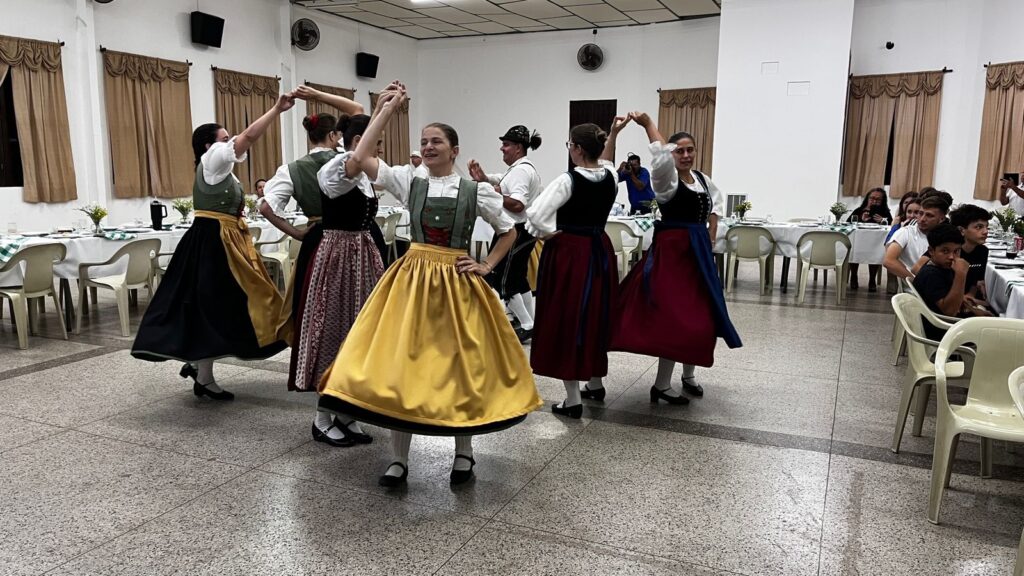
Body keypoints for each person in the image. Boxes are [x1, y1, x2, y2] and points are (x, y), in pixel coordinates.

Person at [317, 83, 541, 487]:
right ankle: (399, 459)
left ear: (454, 150)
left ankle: (464, 454)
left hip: (457, 283)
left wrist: (486, 265)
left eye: (437, 141)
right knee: (402, 365)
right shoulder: (409, 180)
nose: (429, 146)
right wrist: (383, 109)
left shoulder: (476, 191)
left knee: (460, 366)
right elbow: (360, 156)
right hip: (412, 280)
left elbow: (508, 231)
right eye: (424, 141)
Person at [131, 93, 296, 399]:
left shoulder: (221, 168)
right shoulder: (213, 159)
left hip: (222, 240)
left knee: (219, 305)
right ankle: (203, 374)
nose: (229, 139)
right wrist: (276, 109)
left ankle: (200, 368)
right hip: (214, 242)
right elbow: (248, 137)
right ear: (209, 146)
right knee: (214, 305)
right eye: (223, 137)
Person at [610, 113, 741, 404]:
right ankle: (661, 385)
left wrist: (712, 229)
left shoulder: (702, 179)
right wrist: (648, 126)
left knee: (702, 314)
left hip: (698, 253)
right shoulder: (667, 180)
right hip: (673, 255)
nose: (685, 155)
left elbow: (716, 203)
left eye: (689, 149)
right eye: (679, 150)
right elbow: (660, 157)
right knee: (676, 317)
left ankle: (689, 375)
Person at [527, 118, 627, 418]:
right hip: (600, 249)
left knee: (567, 318)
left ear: (578, 149)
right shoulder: (609, 174)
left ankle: (573, 400)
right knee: (596, 313)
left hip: (570, 253)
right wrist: (615, 134)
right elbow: (606, 159)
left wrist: (545, 232)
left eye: (570, 145)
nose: (569, 149)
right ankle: (595, 383)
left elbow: (535, 214)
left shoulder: (567, 180)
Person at [467, 124, 543, 343]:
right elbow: (502, 181)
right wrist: (485, 179)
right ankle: (531, 322)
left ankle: (527, 324)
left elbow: (517, 204)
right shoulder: (521, 168)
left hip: (515, 230)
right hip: (523, 230)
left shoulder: (520, 170)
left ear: (518, 148)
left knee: (503, 279)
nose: (502, 149)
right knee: (518, 278)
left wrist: (492, 192)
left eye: (506, 145)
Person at [912, 223, 993, 340]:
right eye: (945, 251)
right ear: (931, 251)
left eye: (956, 251)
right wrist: (961, 274)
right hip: (942, 330)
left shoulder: (944, 268)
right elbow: (950, 311)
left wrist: (973, 310)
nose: (952, 257)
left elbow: (953, 296)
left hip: (949, 324)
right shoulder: (931, 274)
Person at [884, 196, 948, 279]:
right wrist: (914, 281)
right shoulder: (905, 232)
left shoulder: (946, 235)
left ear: (941, 219)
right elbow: (889, 261)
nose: (922, 219)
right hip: (916, 286)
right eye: (920, 213)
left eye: (929, 215)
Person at [847, 187, 893, 292]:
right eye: (872, 198)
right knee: (854, 250)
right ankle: (854, 276)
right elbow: (848, 224)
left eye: (878, 199)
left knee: (876, 252)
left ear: (882, 201)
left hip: (875, 244)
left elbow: (891, 226)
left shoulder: (885, 212)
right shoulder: (859, 210)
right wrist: (861, 220)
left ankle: (872, 279)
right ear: (867, 199)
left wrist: (883, 220)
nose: (874, 201)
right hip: (859, 242)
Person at [948, 203, 992, 309]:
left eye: (987, 227)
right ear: (961, 230)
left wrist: (971, 295)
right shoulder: (950, 251)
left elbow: (976, 280)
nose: (986, 232)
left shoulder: (983, 251)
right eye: (979, 227)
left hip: (968, 298)